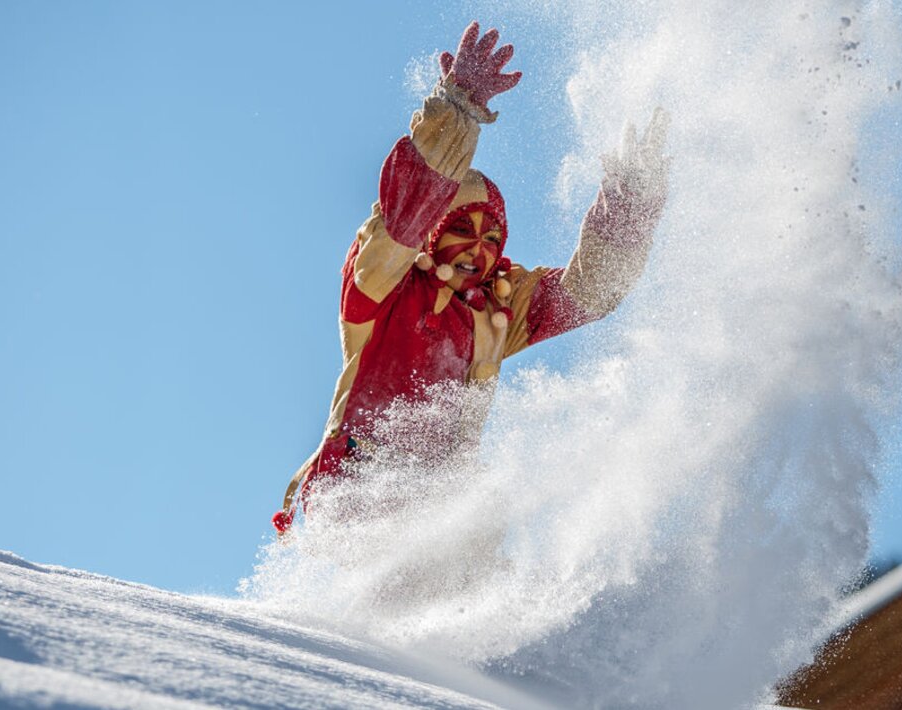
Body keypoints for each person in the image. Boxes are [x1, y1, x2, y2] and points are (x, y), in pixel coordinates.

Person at [273, 21, 669, 534]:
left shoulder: (492, 315)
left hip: (431, 505)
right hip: (356, 479)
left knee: (473, 543)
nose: (478, 250)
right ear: (433, 235)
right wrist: (457, 111)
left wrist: (625, 215)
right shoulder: (382, 289)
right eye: (463, 229)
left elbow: (584, 295)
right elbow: (406, 213)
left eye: (492, 240)